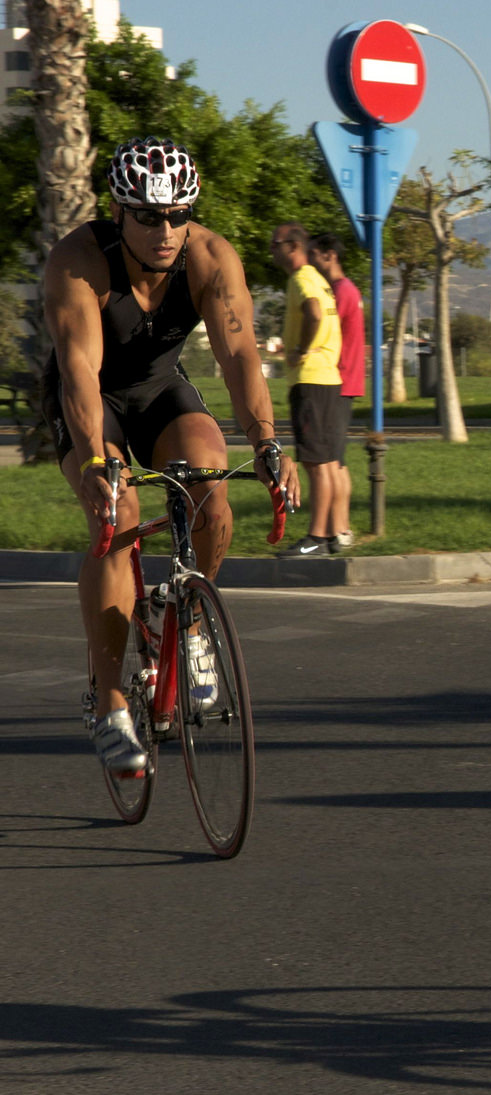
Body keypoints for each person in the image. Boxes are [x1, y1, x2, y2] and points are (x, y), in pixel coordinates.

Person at [45, 135, 297, 776]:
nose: (166, 231)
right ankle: (109, 703)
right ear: (119, 210)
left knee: (213, 490)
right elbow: (79, 367)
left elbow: (240, 357)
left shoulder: (211, 257)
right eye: (150, 216)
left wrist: (268, 442)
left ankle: (190, 626)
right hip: (90, 396)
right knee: (119, 518)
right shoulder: (78, 262)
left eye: (178, 215)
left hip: (159, 390)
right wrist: (99, 463)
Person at [268, 222, 346, 556]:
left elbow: (313, 313)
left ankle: (315, 537)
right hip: (328, 379)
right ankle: (327, 536)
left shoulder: (301, 279)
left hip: (310, 380)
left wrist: (299, 348)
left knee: (315, 463)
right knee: (326, 462)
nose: (272, 250)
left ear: (293, 246)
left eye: (276, 244)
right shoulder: (318, 278)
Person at [309, 232, 360, 549]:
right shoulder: (347, 289)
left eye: (313, 253)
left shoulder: (338, 292)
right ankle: (340, 529)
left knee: (331, 462)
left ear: (329, 255)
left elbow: (328, 334)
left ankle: (338, 529)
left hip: (336, 381)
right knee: (337, 461)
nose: (310, 260)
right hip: (347, 381)